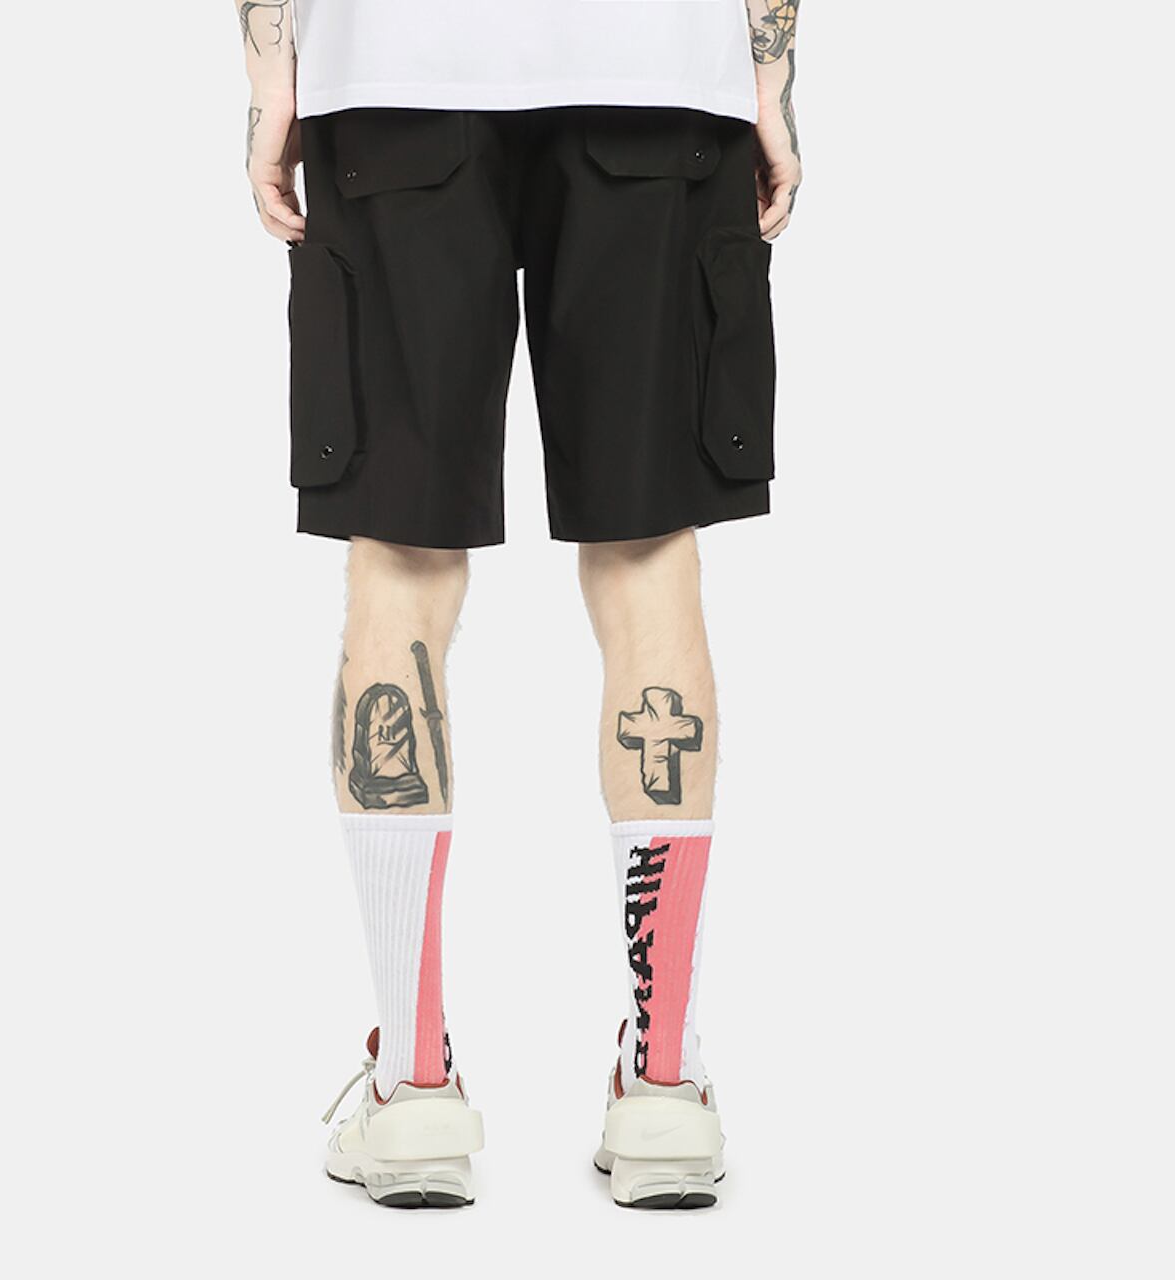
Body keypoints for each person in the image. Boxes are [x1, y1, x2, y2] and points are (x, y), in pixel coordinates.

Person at [236, 0, 801, 1210]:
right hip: (657, 73)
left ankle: (413, 1087)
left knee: (401, 556)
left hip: (393, 71)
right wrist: (768, 73)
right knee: (646, 553)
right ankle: (660, 1083)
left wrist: (271, 65)